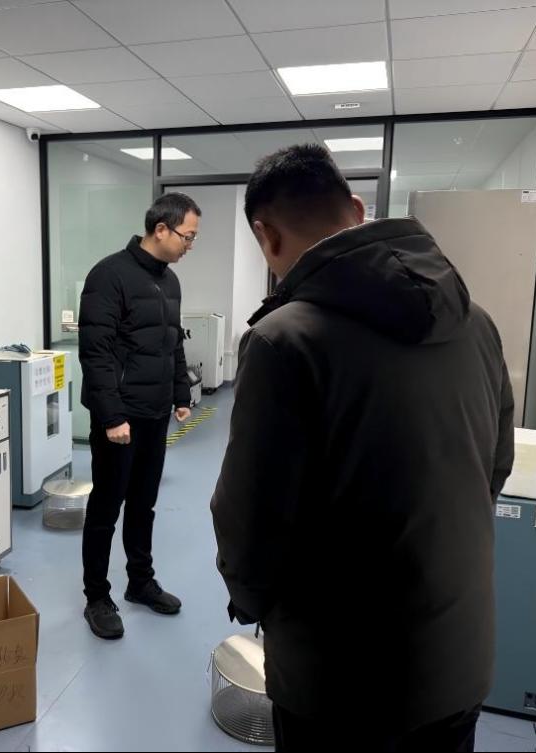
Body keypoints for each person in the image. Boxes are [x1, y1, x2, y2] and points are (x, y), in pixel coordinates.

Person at [209, 144, 515, 751]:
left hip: (341, 680)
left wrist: (251, 600)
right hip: (458, 657)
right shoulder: (476, 322)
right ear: (355, 208)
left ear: (266, 235)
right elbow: (496, 466)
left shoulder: (283, 341)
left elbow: (251, 520)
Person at [78, 192, 201, 640]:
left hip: (154, 413)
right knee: (106, 506)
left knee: (143, 503)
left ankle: (140, 582)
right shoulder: (109, 275)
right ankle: (97, 596)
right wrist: (112, 416)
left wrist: (181, 392)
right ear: (161, 229)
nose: (190, 245)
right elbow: (96, 352)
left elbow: (173, 342)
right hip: (120, 417)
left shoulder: (170, 281)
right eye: (187, 236)